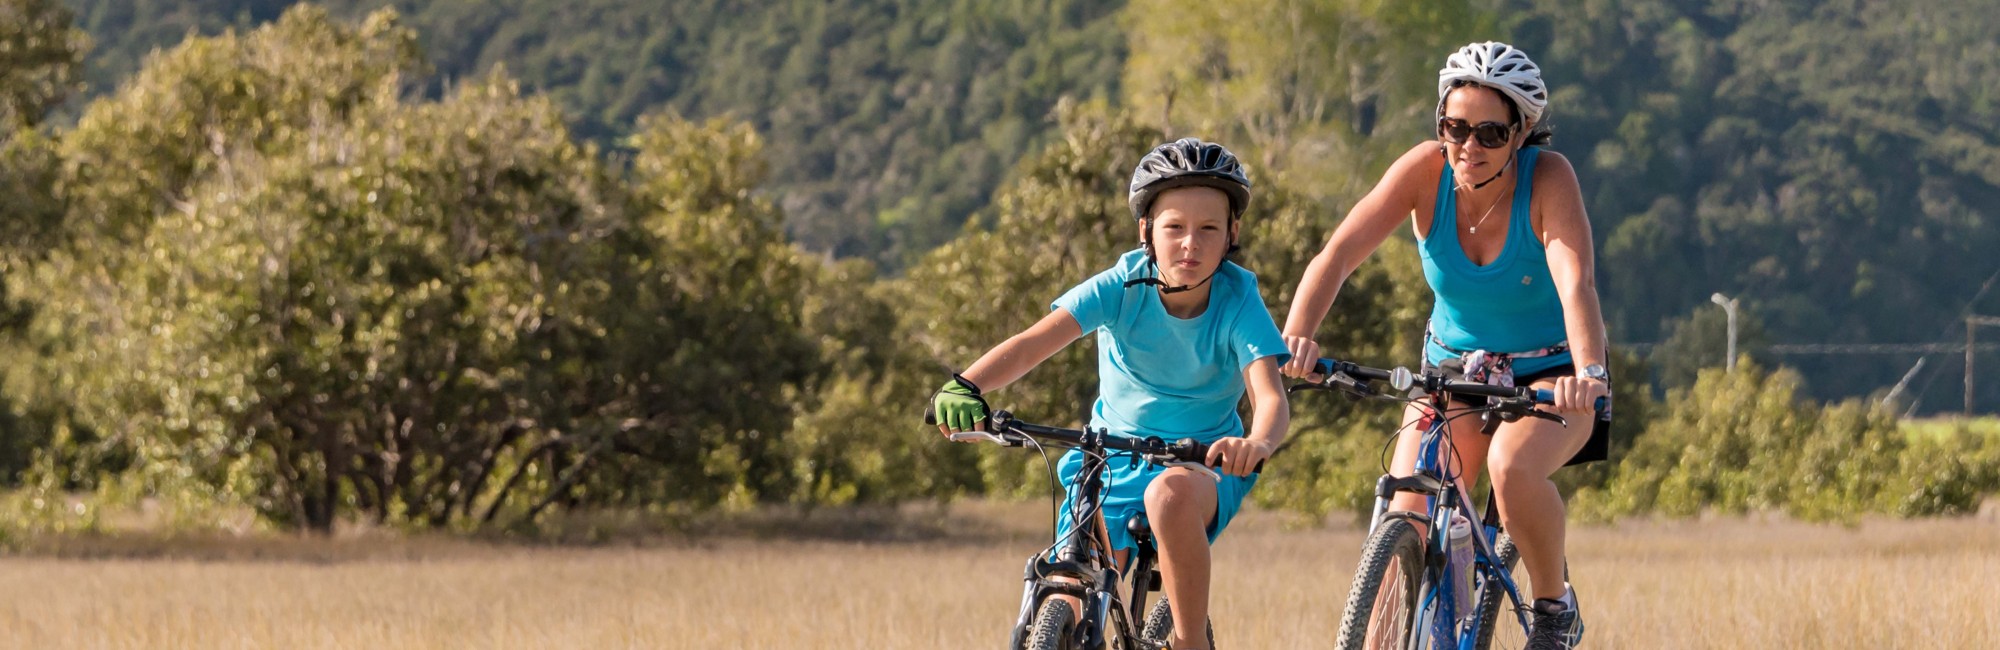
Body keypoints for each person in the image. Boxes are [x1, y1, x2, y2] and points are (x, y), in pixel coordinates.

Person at [1277, 42, 1610, 649]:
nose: (1468, 147)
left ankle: (1553, 606)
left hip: (1550, 377)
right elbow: (1339, 254)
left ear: (1522, 132)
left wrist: (1588, 371)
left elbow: (1575, 283)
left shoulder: (1550, 178)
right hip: (1451, 373)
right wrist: (1296, 335)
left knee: (1511, 470)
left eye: (1488, 133)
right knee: (1405, 509)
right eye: (1454, 128)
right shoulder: (1424, 172)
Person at [930, 138, 1291, 650]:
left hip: (1203, 462)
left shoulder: (1238, 298)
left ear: (1232, 233)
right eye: (1174, 227)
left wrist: (1257, 442)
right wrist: (966, 385)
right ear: (1146, 231)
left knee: (1167, 497)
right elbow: (1035, 342)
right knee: (1072, 582)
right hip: (1111, 456)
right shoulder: (1121, 285)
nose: (1190, 243)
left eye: (1208, 228)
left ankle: (1191, 641)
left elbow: (1270, 395)